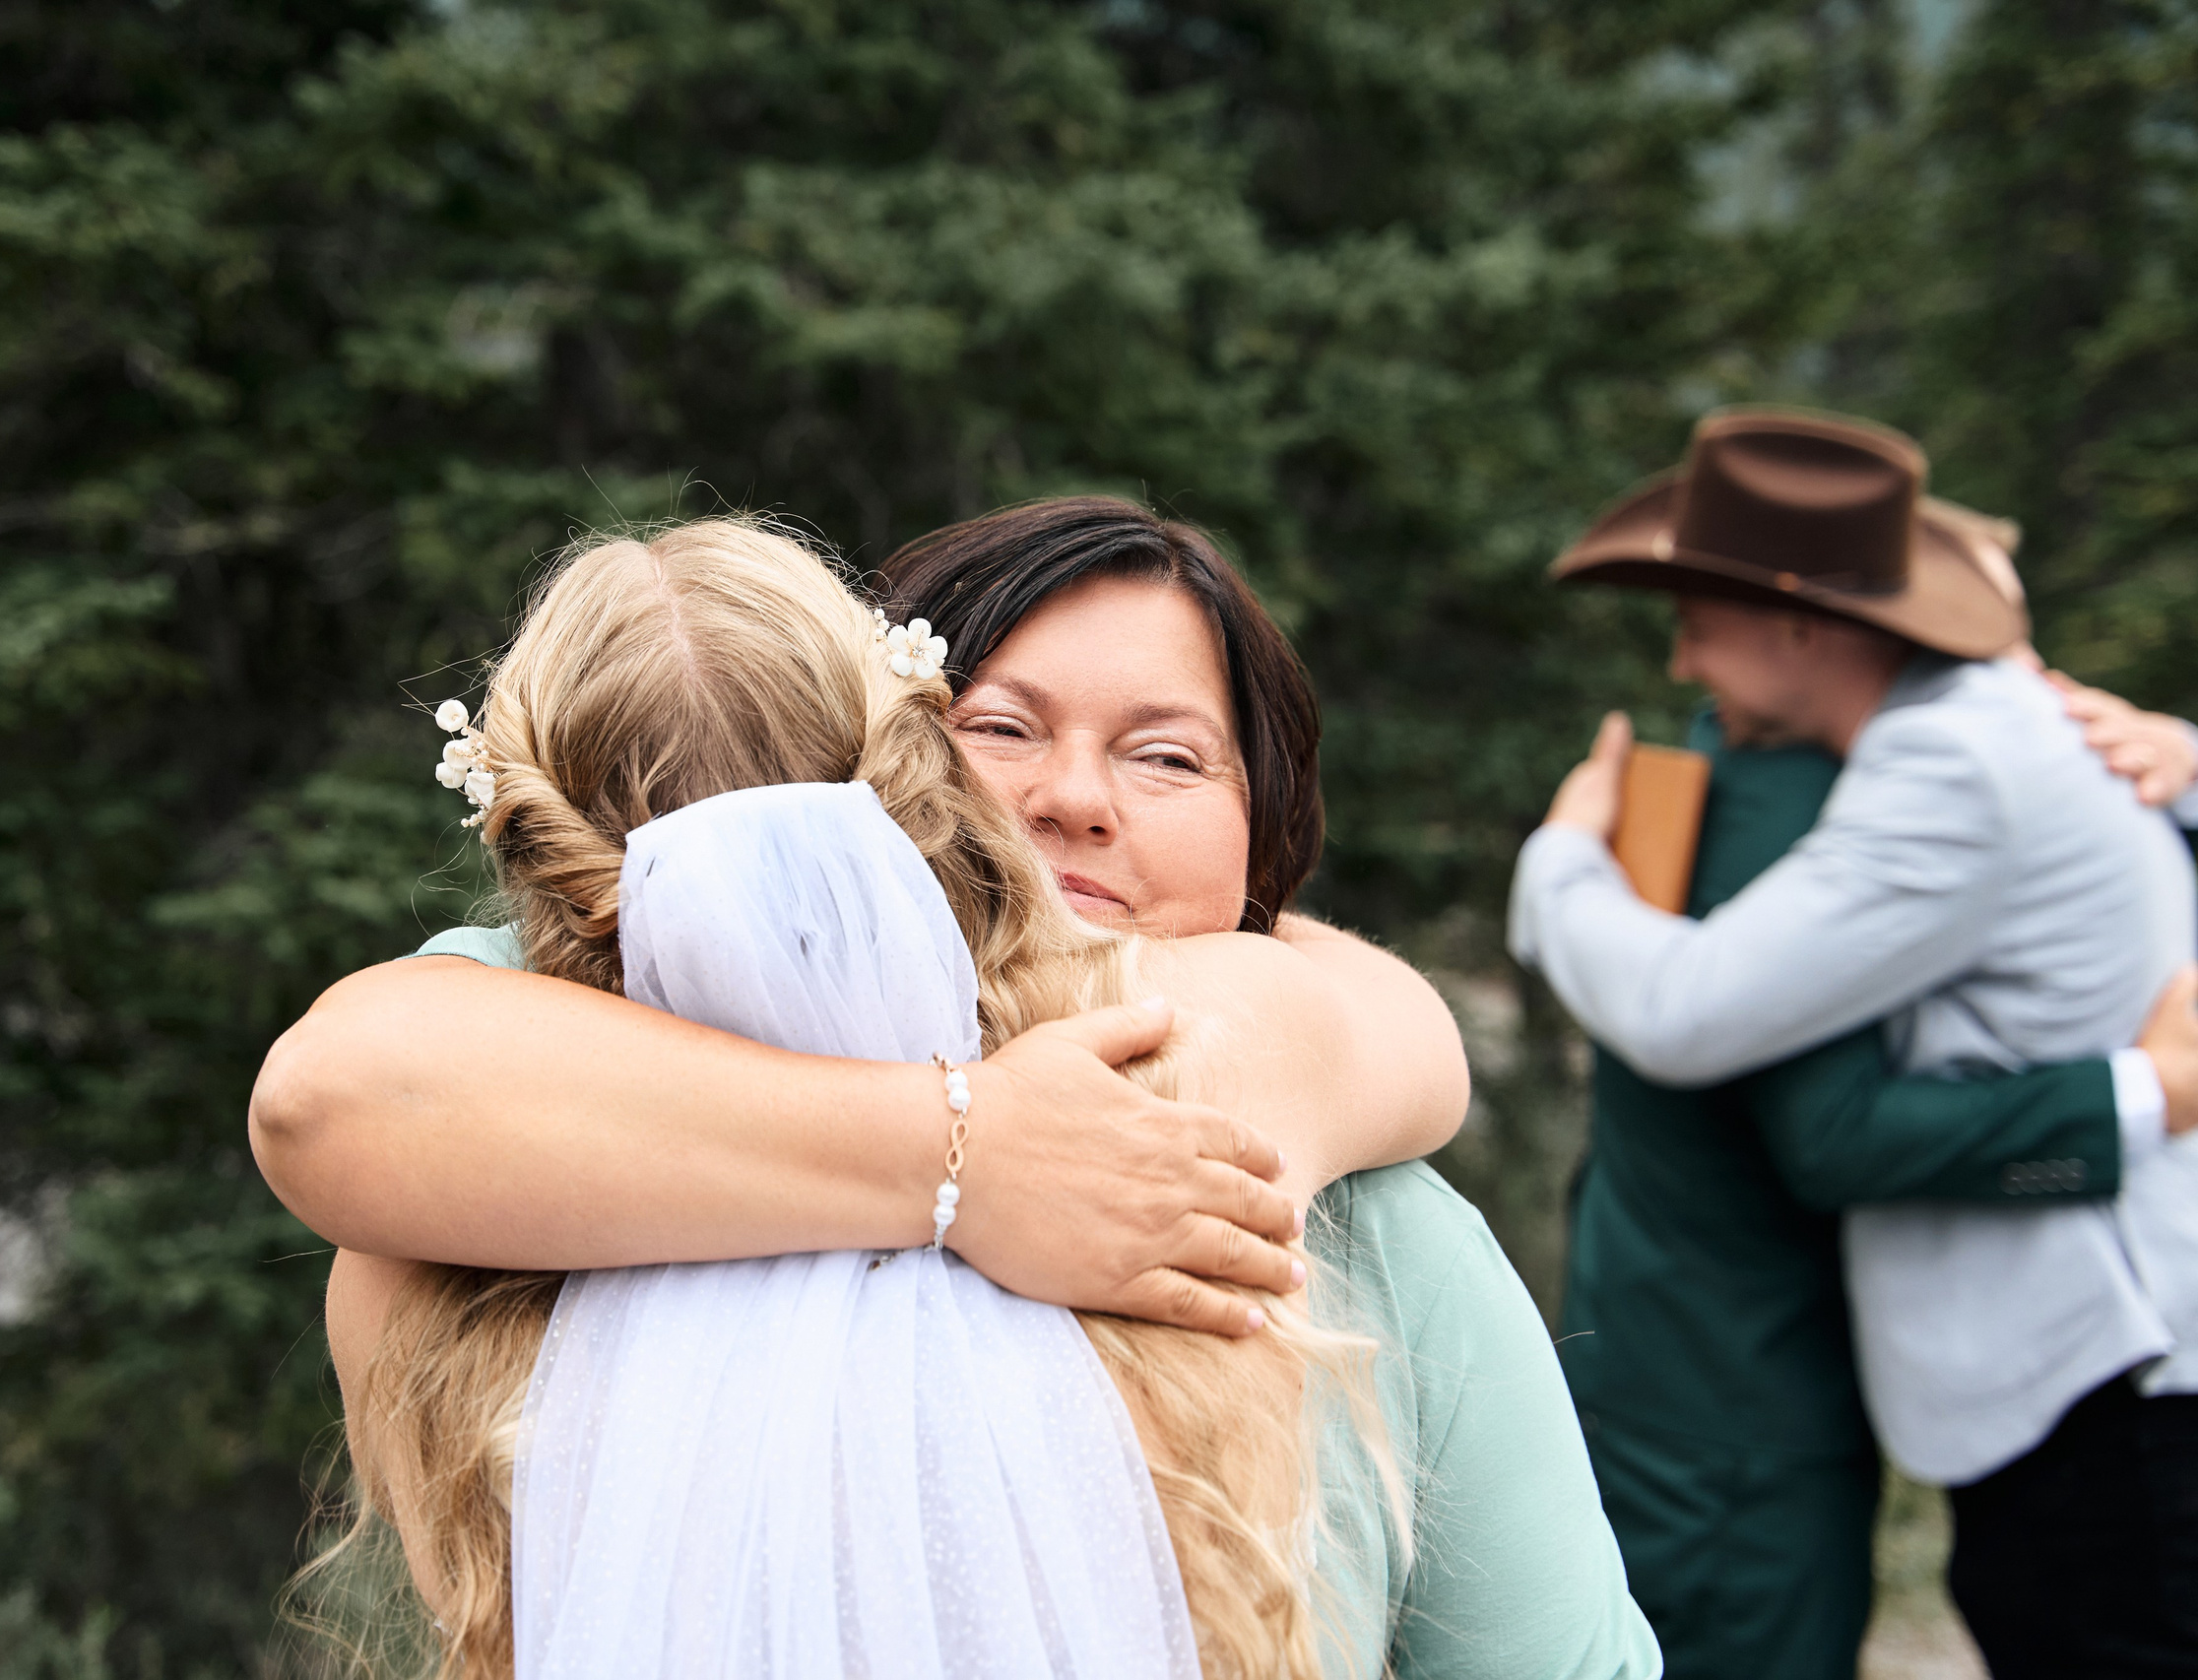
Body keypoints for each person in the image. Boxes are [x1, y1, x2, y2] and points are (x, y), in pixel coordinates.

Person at [259, 499, 1661, 1677]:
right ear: (857, 757)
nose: (1077, 796)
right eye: (1002, 729)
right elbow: (352, 1088)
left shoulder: (1357, 1218)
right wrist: (966, 1155)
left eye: (1170, 754)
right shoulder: (523, 1081)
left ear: (1263, 840)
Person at [1509, 408, 2198, 1679]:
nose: (1678, 663)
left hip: (2099, 1367)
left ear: (1798, 622)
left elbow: (1688, 1011)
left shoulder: (1943, 762)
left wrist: (1558, 867)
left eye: (1698, 618)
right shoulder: (2003, 721)